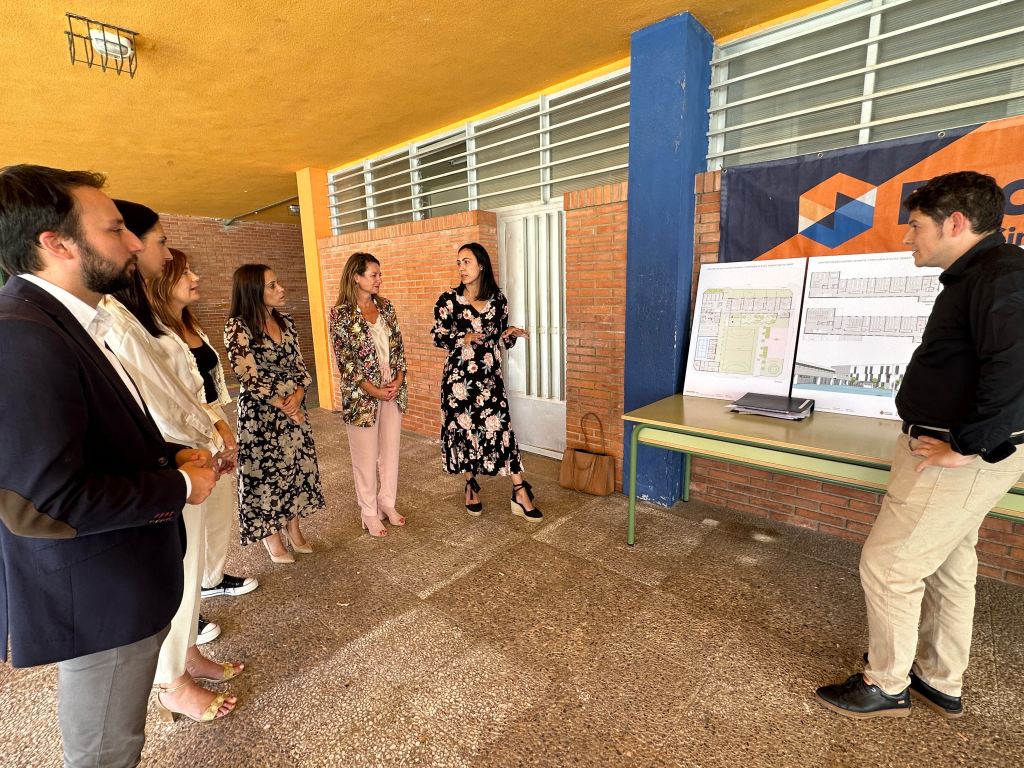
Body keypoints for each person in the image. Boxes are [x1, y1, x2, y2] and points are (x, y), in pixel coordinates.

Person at [0, 164, 216, 766]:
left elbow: (90, 439)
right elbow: (43, 503)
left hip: (118, 577)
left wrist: (167, 456)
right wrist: (179, 485)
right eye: (115, 229)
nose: (133, 244)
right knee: (106, 750)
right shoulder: (21, 334)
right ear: (57, 244)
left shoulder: (68, 320)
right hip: (98, 591)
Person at [816, 171, 1024, 719]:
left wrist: (965, 447)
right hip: (954, 451)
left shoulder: (1001, 276)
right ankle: (939, 677)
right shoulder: (982, 274)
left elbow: (1015, 372)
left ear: (955, 223)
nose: (908, 237)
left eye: (915, 226)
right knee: (949, 565)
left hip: (956, 456)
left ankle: (886, 684)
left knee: (889, 566)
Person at [105, 202, 246, 723]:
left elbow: (188, 391)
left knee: (191, 565)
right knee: (177, 570)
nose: (162, 253)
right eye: (160, 242)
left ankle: (186, 655)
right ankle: (171, 682)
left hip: (192, 453)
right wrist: (195, 446)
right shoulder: (114, 317)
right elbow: (157, 402)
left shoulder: (143, 314)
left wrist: (211, 436)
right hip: (173, 460)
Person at [152, 248, 256, 601]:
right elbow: (176, 396)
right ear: (163, 280)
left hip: (214, 423)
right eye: (185, 273)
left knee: (219, 507)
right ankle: (185, 603)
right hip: (183, 434)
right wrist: (218, 426)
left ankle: (211, 579)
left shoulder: (190, 323)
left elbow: (211, 383)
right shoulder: (155, 332)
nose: (195, 278)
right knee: (190, 520)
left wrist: (222, 424)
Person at [431, 242, 543, 522]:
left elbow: (498, 337)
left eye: (467, 262)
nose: (461, 267)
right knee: (465, 430)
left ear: (481, 265)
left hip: (490, 380)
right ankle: (471, 485)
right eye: (459, 262)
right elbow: (438, 336)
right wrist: (463, 338)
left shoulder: (498, 301)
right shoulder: (448, 300)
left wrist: (510, 333)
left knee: (502, 429)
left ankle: (519, 491)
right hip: (459, 382)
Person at [225, 263, 324, 562]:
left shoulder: (286, 322)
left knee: (293, 470)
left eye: (277, 283)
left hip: (293, 407)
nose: (280, 289)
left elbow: (300, 366)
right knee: (267, 477)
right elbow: (247, 375)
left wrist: (298, 396)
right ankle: (272, 537)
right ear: (253, 290)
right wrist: (284, 405)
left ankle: (294, 528)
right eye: (272, 285)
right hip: (261, 415)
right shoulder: (238, 326)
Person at [329, 252, 408, 537]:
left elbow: (399, 349)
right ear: (356, 277)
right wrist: (374, 390)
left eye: (379, 274)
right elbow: (345, 362)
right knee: (365, 457)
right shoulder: (340, 314)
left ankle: (387, 503)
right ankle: (369, 512)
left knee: (390, 452)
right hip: (362, 396)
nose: (379, 279)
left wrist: (398, 380)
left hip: (392, 390)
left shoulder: (386, 307)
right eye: (373, 274)